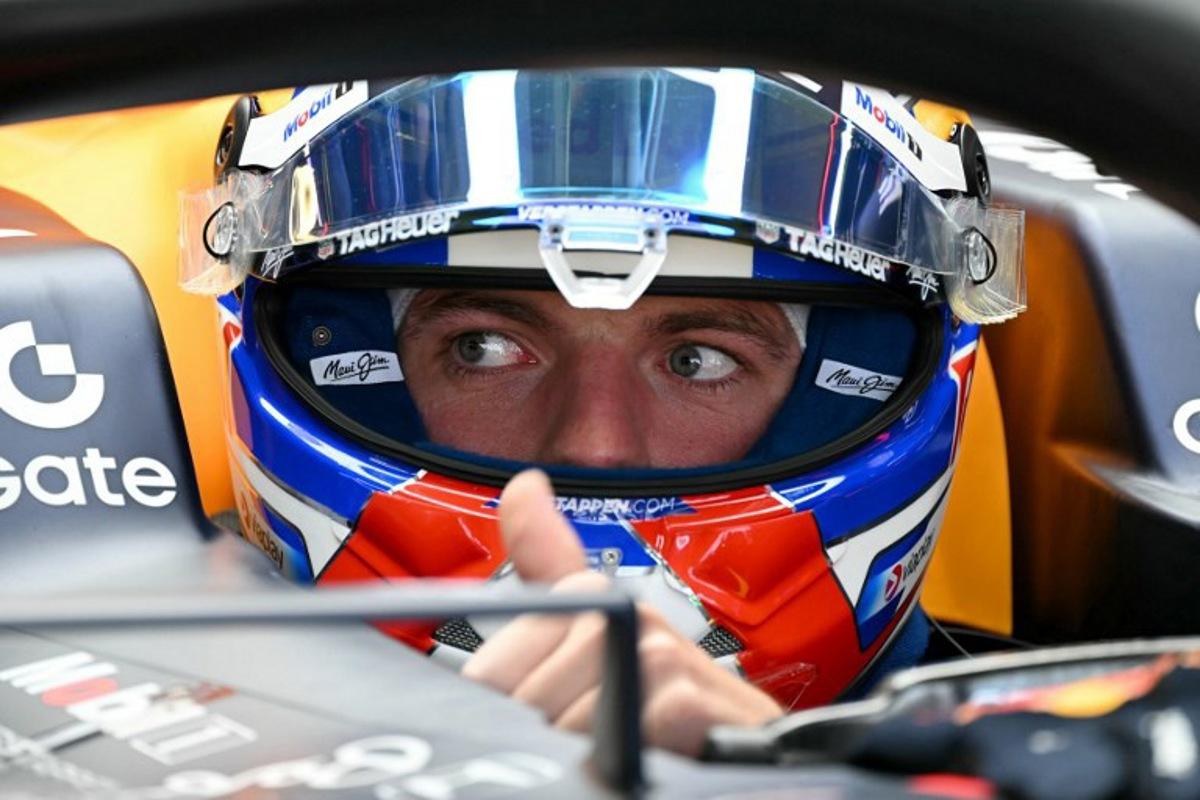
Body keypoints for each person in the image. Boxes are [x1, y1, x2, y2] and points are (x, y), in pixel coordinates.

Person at [183, 68, 1024, 755]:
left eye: (699, 360)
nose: (597, 443)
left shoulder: (1066, 755)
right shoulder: (111, 698)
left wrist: (771, 777)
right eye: (483, 348)